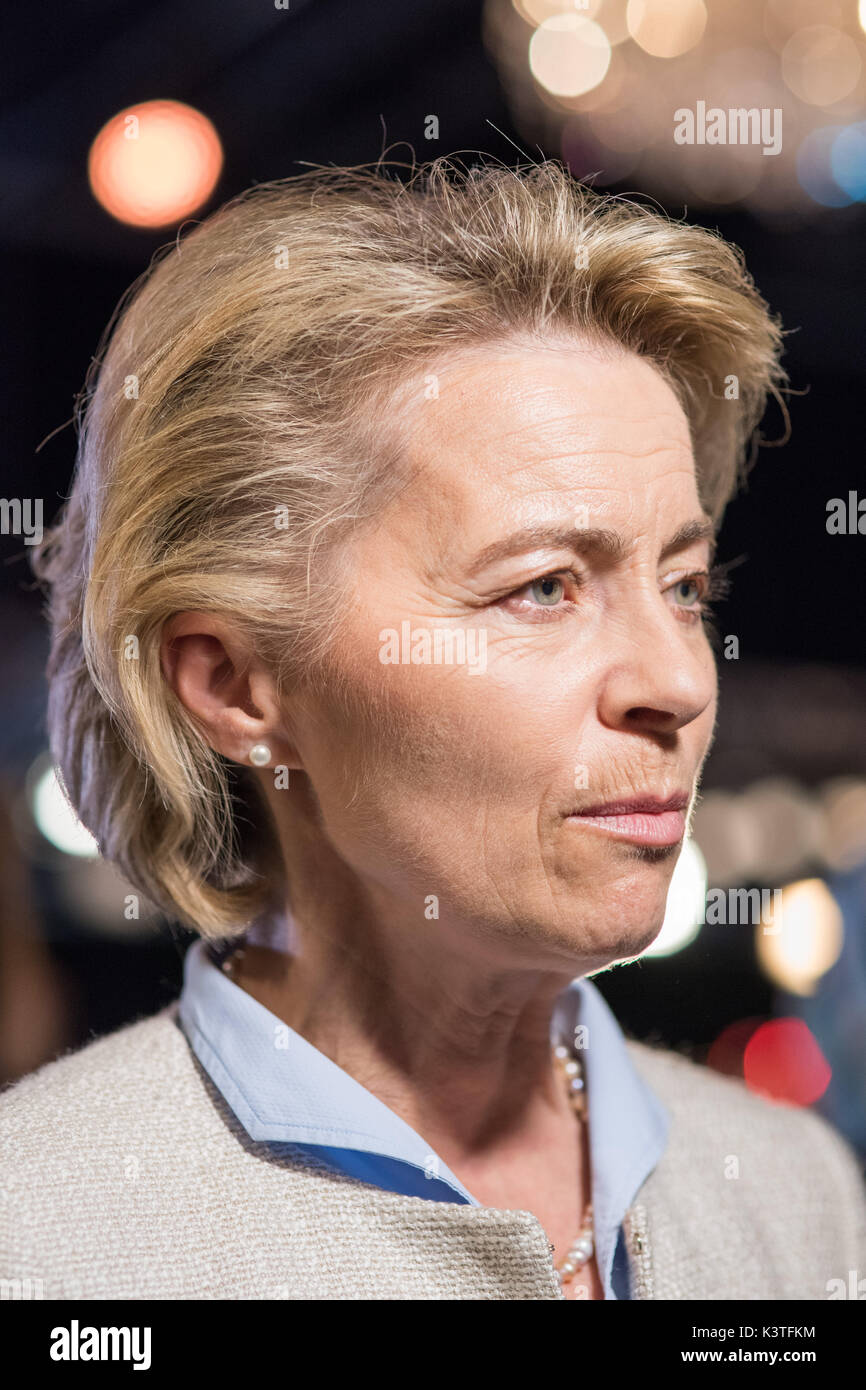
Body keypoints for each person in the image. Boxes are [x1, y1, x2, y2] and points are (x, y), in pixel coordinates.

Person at [3, 158, 864, 1300]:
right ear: (233, 685)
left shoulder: (787, 1184)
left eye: (684, 586)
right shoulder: (48, 1232)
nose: (676, 680)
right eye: (543, 586)